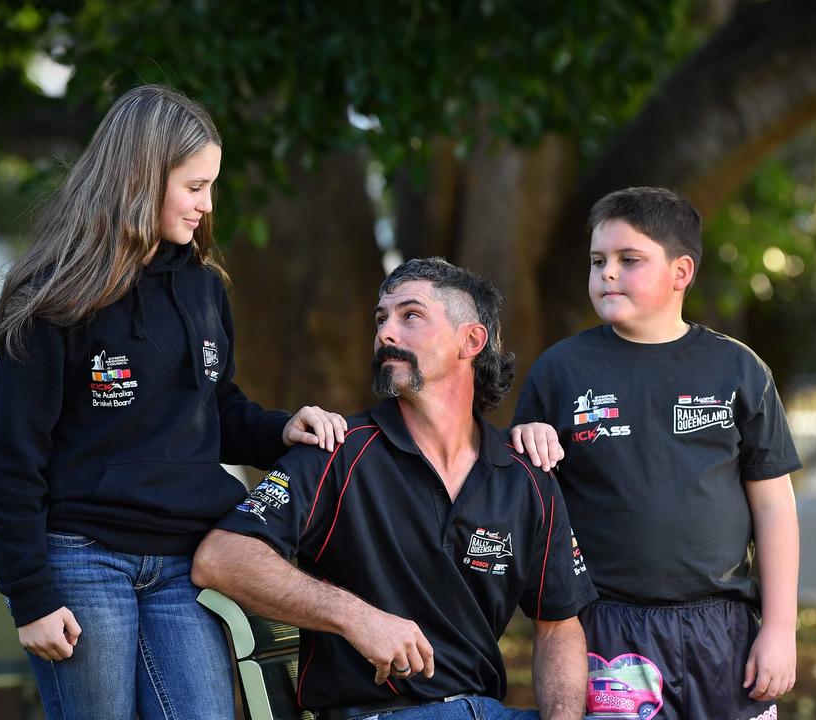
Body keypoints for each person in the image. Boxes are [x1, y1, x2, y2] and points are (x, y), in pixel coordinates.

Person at [0, 84, 347, 720]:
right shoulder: (55, 295)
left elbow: (215, 410)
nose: (207, 205)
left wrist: (284, 430)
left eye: (211, 186)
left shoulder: (203, 288)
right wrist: (29, 598)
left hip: (186, 564)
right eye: (194, 186)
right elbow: (10, 456)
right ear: (141, 178)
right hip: (83, 560)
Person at [193, 258, 597, 720]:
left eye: (410, 316)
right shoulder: (339, 452)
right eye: (381, 318)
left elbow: (558, 625)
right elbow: (220, 557)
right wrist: (355, 617)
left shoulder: (525, 474)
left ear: (471, 341)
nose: (386, 333)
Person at [510, 187, 802, 720]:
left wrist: (781, 629)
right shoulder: (560, 370)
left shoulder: (737, 369)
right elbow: (526, 493)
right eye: (599, 261)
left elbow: (774, 506)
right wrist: (527, 439)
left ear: (681, 272)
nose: (608, 274)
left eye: (629, 260)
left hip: (723, 629)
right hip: (605, 626)